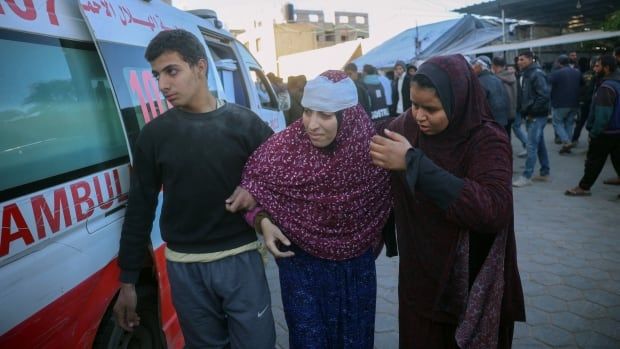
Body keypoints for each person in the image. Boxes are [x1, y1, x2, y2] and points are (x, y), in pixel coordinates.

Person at [113, 29, 276, 348]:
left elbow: (283, 173)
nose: (162, 85)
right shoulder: (154, 135)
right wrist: (128, 280)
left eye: (171, 71)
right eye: (157, 75)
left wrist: (255, 191)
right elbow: (140, 207)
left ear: (200, 67)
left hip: (241, 259)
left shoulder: (245, 124)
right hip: (185, 268)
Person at [369, 54, 525, 348]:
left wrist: (414, 164)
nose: (419, 116)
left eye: (431, 108)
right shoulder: (407, 128)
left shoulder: (487, 140)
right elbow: (362, 134)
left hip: (469, 282)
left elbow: (493, 209)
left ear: (459, 101)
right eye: (414, 105)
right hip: (420, 278)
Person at [228, 70, 392, 348]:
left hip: (355, 272)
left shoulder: (373, 156)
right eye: (307, 112)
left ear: (347, 116)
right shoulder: (283, 150)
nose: (312, 124)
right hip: (301, 268)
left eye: (325, 115)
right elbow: (250, 193)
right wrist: (263, 222)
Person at [565, 55, 620, 196]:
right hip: (616, 131)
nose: (594, 69)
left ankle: (584, 187)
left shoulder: (607, 86)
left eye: (598, 66)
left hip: (606, 132)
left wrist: (594, 132)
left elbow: (603, 115)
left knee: (593, 161)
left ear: (606, 68)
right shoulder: (614, 82)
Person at [513, 51, 551, 187]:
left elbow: (544, 95)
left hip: (536, 116)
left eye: (522, 59)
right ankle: (545, 172)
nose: (519, 62)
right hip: (532, 115)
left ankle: (526, 176)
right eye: (518, 60)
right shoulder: (527, 73)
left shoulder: (536, 74)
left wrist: (531, 111)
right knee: (539, 144)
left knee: (531, 146)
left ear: (530, 59)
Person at [548, 55, 582, 154]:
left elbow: (548, 83)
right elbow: (583, 84)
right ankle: (568, 143)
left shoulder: (556, 73)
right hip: (574, 102)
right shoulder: (577, 72)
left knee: (557, 122)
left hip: (560, 103)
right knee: (569, 123)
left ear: (559, 62)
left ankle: (566, 142)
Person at [472, 55, 510, 128]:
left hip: (488, 124)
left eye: (474, 65)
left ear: (480, 66)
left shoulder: (479, 82)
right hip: (501, 121)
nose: (472, 68)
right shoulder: (497, 79)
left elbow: (478, 106)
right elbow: (505, 99)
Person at [492, 56, 522, 146]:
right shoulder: (512, 74)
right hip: (512, 111)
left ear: (495, 66)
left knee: (501, 137)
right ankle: (508, 154)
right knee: (507, 135)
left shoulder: (496, 78)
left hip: (502, 112)